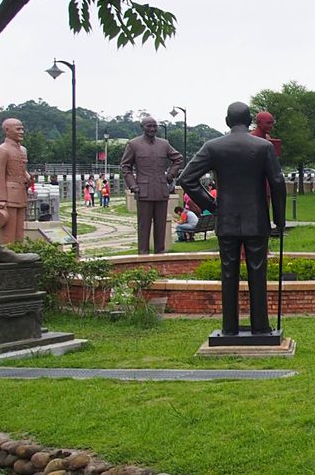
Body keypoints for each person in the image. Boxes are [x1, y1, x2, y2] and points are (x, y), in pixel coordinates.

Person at [179, 101, 287, 337]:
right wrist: (279, 218)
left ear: (227, 121)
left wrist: (212, 204)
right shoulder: (262, 147)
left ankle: (229, 328)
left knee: (228, 273)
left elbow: (187, 178)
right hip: (256, 219)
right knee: (258, 272)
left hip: (226, 219)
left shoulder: (213, 146)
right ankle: (260, 327)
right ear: (249, 121)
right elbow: (278, 183)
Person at [121, 115, 184, 254]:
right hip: (142, 190)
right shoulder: (134, 144)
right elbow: (125, 167)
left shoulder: (164, 144)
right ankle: (143, 255)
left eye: (155, 126)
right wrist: (133, 186)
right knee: (144, 226)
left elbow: (178, 159)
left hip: (161, 189)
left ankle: (160, 253)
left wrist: (170, 175)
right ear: (142, 127)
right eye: (149, 126)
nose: (152, 129)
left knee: (161, 225)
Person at [0, 118, 33, 245]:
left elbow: (21, 169)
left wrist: (28, 178)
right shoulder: (2, 150)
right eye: (18, 129)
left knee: (20, 229)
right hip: (8, 196)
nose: (22, 132)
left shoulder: (23, 150)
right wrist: (1, 199)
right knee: (9, 230)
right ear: (7, 131)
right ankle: (9, 254)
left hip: (21, 192)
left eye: (22, 129)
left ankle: (19, 251)